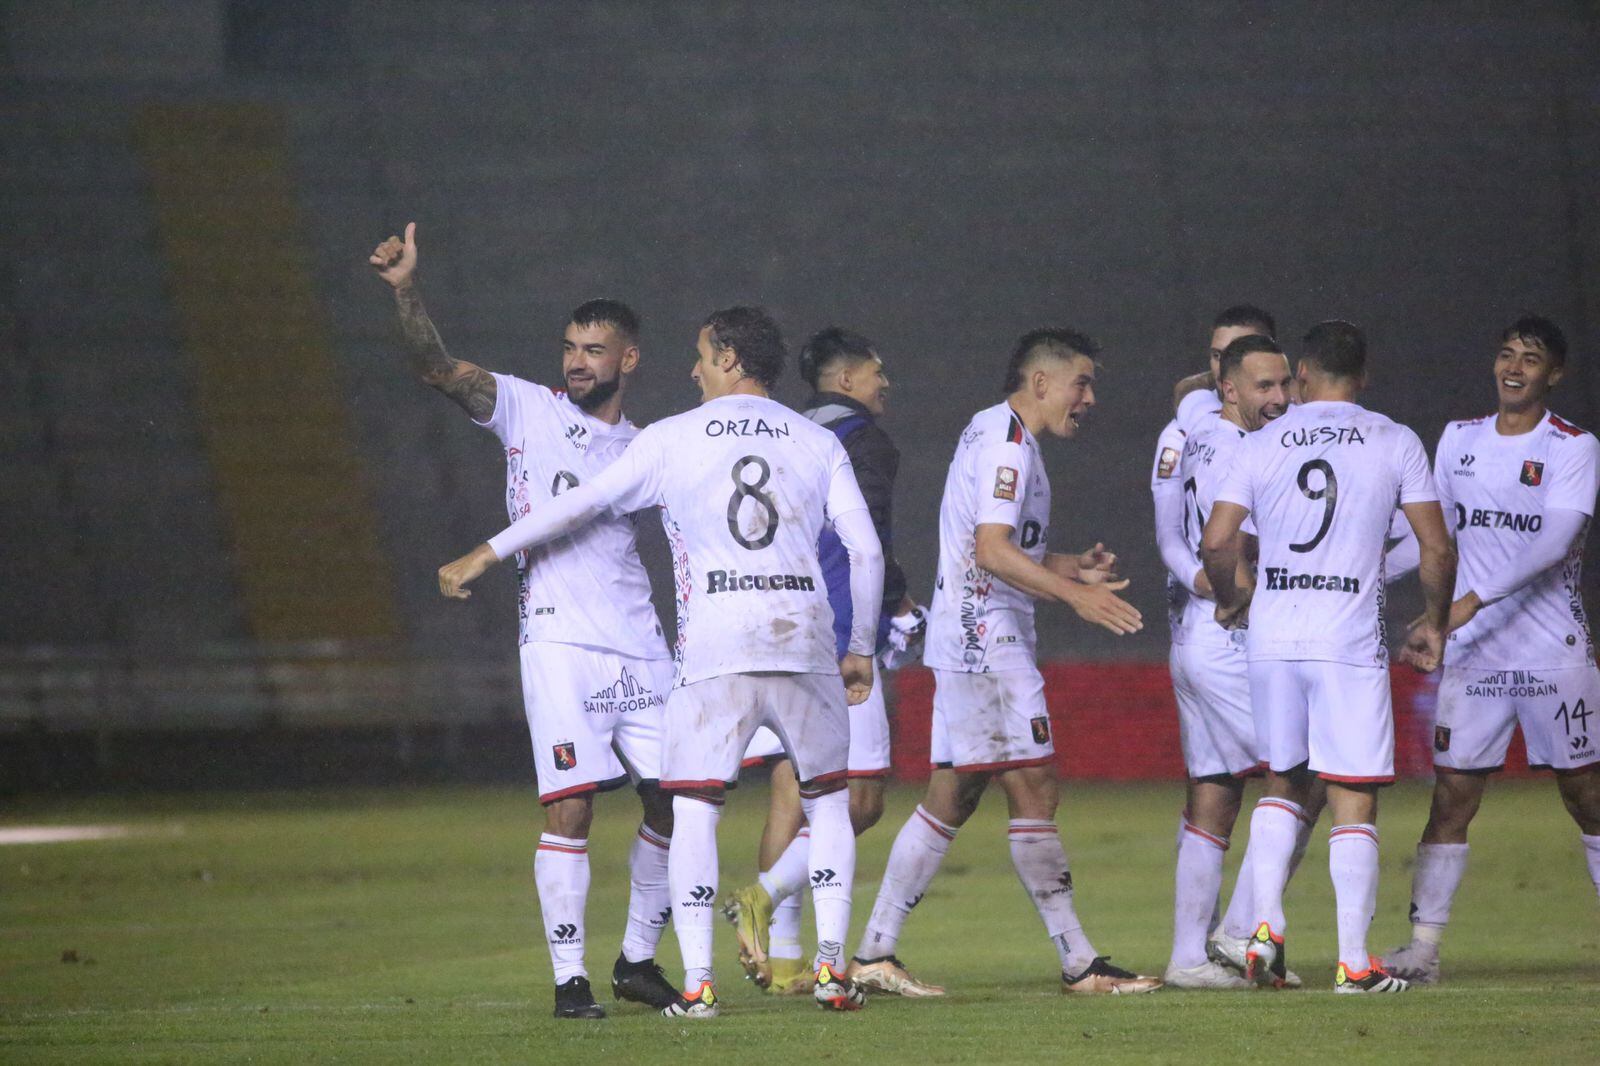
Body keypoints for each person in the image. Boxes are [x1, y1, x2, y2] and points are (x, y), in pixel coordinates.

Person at [437, 306, 885, 1019]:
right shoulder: (815, 439)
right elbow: (864, 551)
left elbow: (578, 506)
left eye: (704, 355)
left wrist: (488, 552)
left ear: (732, 359)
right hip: (803, 639)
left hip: (715, 649)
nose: (694, 368)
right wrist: (859, 646)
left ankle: (700, 985)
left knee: (694, 807)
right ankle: (832, 971)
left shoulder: (671, 438)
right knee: (828, 801)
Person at [369, 223, 678, 1019]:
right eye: (569, 347)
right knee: (571, 806)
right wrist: (406, 290)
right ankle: (571, 981)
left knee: (680, 801)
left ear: (628, 360)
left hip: (641, 646)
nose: (575, 361)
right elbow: (436, 368)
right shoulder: (524, 408)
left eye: (593, 350)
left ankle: (637, 961)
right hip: (561, 641)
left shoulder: (648, 448)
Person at [847, 328, 1161, 997]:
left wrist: (1067, 565)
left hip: (972, 639)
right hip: (985, 641)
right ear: (1041, 381)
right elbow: (990, 550)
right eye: (1081, 382)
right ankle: (1079, 961)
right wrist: (1074, 594)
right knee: (1034, 786)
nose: (1090, 398)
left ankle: (875, 952)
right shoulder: (1008, 447)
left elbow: (991, 546)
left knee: (955, 794)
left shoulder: (998, 434)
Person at [1200, 320, 1456, 994]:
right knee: (1353, 796)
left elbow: (1218, 541)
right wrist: (1435, 619)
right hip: (1346, 643)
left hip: (1274, 639)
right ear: (1362, 377)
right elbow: (1435, 547)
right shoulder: (1394, 439)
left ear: (1304, 376)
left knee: (1283, 782)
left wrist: (1231, 599)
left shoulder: (1259, 443)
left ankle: (1265, 928)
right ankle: (1354, 963)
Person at [1383, 316, 1600, 984]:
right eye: (1505, 354)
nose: (1514, 368)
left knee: (1587, 797)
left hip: (1552, 652)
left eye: (1530, 359)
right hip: (1473, 657)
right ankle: (1422, 948)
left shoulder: (1573, 446)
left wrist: (1464, 605)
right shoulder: (1460, 440)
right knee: (1451, 798)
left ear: (1552, 374)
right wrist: (1355, 573)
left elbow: (1553, 544)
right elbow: (1429, 535)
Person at [723, 327, 922, 994]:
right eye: (876, 371)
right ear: (846, 380)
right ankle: (763, 895)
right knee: (857, 801)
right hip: (835, 636)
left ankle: (782, 963)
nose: (884, 382)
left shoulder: (783, 434)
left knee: (792, 788)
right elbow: (866, 536)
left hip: (771, 628)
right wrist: (892, 605)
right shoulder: (861, 442)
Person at [1156, 334, 1293, 988]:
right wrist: (1237, 590)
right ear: (1231, 389)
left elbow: (1184, 397)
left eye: (1284, 385)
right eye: (1263, 387)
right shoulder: (1241, 450)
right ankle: (1241, 931)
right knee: (1305, 776)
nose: (1280, 399)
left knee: (1214, 793)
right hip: (1226, 638)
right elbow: (1229, 541)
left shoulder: (1198, 428)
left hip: (1191, 640)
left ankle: (1188, 958)